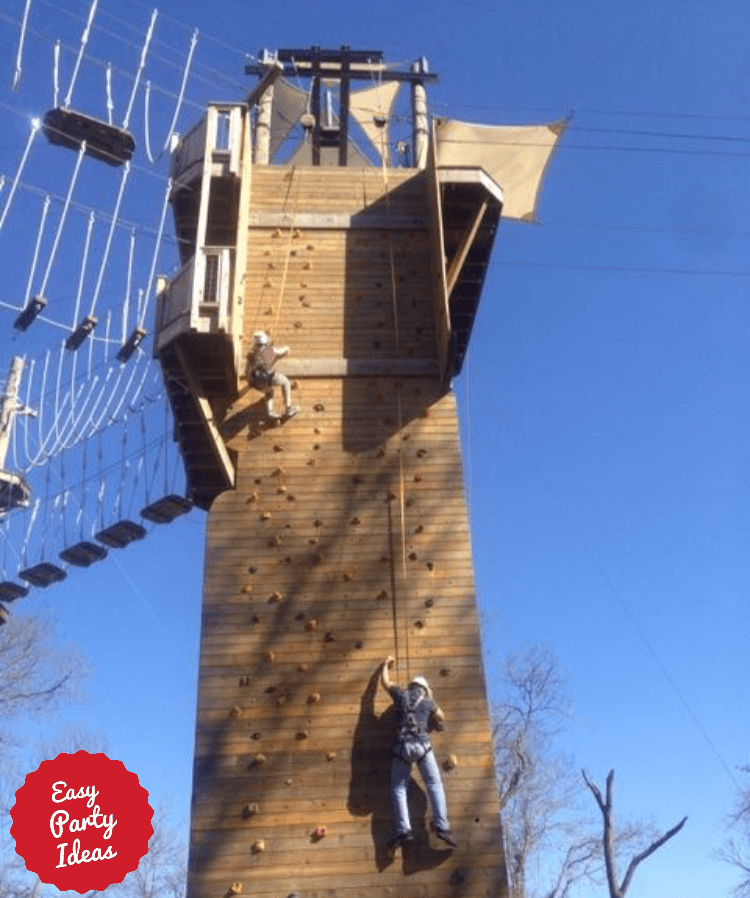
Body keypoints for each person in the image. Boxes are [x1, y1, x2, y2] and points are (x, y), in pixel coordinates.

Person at [380, 655, 458, 852]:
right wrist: (430, 696)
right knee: (434, 784)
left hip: (402, 746)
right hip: (422, 746)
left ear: (411, 686)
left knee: (398, 788)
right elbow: (441, 716)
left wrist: (385, 665)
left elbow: (385, 682)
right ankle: (442, 827)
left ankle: (403, 830)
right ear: (424, 689)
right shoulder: (428, 701)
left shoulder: (400, 695)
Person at [245, 331, 299, 420]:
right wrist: (287, 348)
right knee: (285, 382)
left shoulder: (251, 355)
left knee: (269, 392)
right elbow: (284, 351)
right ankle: (289, 408)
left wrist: (250, 382)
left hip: (256, 382)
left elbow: (247, 370)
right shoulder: (269, 351)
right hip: (269, 378)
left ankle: (271, 412)